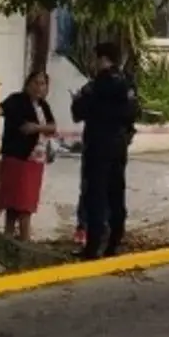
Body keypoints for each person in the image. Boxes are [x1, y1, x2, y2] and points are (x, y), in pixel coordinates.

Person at [0, 70, 56, 241]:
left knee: (20, 204)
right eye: (35, 82)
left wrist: (36, 128)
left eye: (43, 84)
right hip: (18, 158)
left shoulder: (43, 106)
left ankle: (11, 240)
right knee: (20, 205)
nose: (39, 87)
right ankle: (23, 241)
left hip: (36, 160)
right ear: (28, 84)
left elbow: (52, 127)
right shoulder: (16, 100)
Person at [71, 42, 139, 260]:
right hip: (119, 146)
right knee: (116, 192)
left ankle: (93, 247)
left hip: (98, 145)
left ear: (102, 59)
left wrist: (78, 100)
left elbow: (78, 111)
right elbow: (133, 114)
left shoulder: (96, 85)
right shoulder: (128, 84)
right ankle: (114, 242)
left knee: (95, 195)